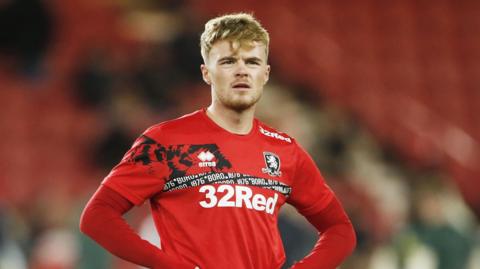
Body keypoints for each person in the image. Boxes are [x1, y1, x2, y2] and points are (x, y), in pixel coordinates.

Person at [80, 13, 356, 269]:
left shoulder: (285, 150)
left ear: (266, 74)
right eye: (227, 61)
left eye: (252, 62)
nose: (241, 71)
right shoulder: (165, 141)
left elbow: (340, 230)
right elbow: (97, 216)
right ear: (206, 73)